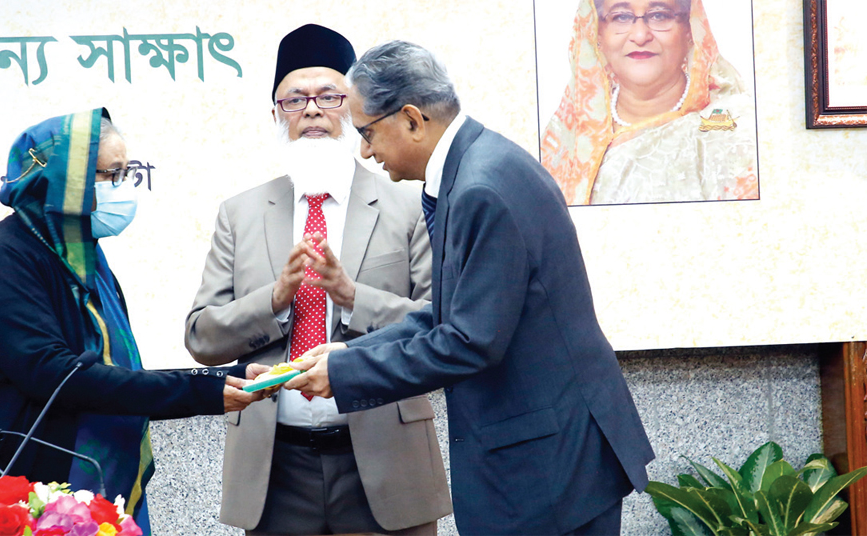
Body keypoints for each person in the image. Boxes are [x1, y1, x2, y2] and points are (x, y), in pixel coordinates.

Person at [285, 41, 656, 535]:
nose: (365, 152)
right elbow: (446, 314)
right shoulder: (472, 167)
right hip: (543, 452)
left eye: (367, 132)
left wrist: (347, 370)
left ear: (413, 119)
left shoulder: (481, 187)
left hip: (550, 463)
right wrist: (345, 353)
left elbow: (470, 341)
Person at [0, 109, 267, 533]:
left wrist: (225, 378)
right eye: (109, 175)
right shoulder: (1, 257)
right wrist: (201, 391)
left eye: (125, 174)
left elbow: (114, 371)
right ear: (62, 180)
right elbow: (55, 374)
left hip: (78, 487)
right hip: (4, 491)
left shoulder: (85, 258)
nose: (121, 189)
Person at [185, 24, 451, 536]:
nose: (311, 110)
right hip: (275, 471)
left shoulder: (408, 204)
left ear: (353, 108)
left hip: (384, 462)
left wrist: (352, 296)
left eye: (329, 96)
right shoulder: (240, 213)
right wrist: (276, 300)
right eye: (295, 99)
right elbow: (202, 337)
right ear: (275, 114)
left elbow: (442, 324)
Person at [540, 0, 759, 205]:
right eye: (621, 17)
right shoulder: (565, 137)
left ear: (690, 30)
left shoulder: (735, 131)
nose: (640, 35)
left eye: (659, 15)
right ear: (597, 33)